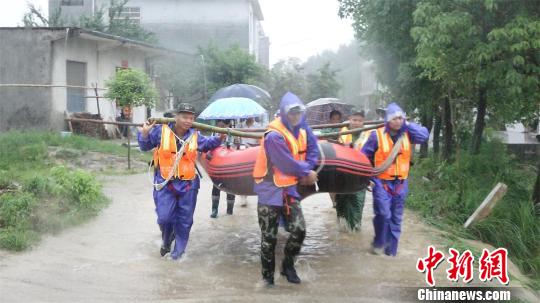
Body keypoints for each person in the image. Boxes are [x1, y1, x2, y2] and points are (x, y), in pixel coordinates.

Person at [138, 103, 225, 259]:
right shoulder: (160, 131)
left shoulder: (195, 135)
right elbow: (144, 146)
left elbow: (207, 144)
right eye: (184, 117)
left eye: (191, 118)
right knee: (164, 218)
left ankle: (177, 254)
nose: (188, 121)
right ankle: (166, 240)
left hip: (188, 183)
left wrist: (220, 138)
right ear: (176, 116)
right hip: (165, 182)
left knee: (185, 220)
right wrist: (144, 134)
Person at [253, 92, 320, 286]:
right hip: (269, 190)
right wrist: (306, 172)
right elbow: (285, 162)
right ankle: (267, 279)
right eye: (291, 112)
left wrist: (308, 167)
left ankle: (287, 266)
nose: (295, 115)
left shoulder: (304, 129)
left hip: (289, 189)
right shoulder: (274, 135)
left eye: (298, 112)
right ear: (283, 113)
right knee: (269, 238)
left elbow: (313, 151)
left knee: (299, 230)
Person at [361, 102, 429, 256]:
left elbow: (424, 136)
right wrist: (367, 177)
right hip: (381, 182)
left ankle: (391, 253)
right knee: (384, 215)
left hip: (401, 184)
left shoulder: (408, 133)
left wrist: (408, 124)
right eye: (394, 118)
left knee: (396, 220)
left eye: (400, 118)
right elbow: (364, 157)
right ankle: (379, 243)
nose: (398, 121)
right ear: (387, 120)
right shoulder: (376, 135)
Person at [335, 109, 371, 231]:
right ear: (349, 119)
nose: (356, 123)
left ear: (363, 122)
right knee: (342, 202)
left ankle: (355, 229)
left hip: (360, 175)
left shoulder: (369, 134)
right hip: (343, 174)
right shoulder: (343, 132)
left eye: (360, 120)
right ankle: (343, 229)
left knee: (357, 202)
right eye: (354, 120)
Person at [210, 120, 236, 218]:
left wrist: (230, 144)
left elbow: (237, 148)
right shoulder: (213, 131)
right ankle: (214, 209)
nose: (221, 124)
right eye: (219, 122)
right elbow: (209, 145)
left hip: (230, 163)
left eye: (224, 123)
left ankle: (230, 210)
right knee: (216, 186)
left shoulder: (234, 133)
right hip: (217, 163)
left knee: (231, 187)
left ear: (228, 124)